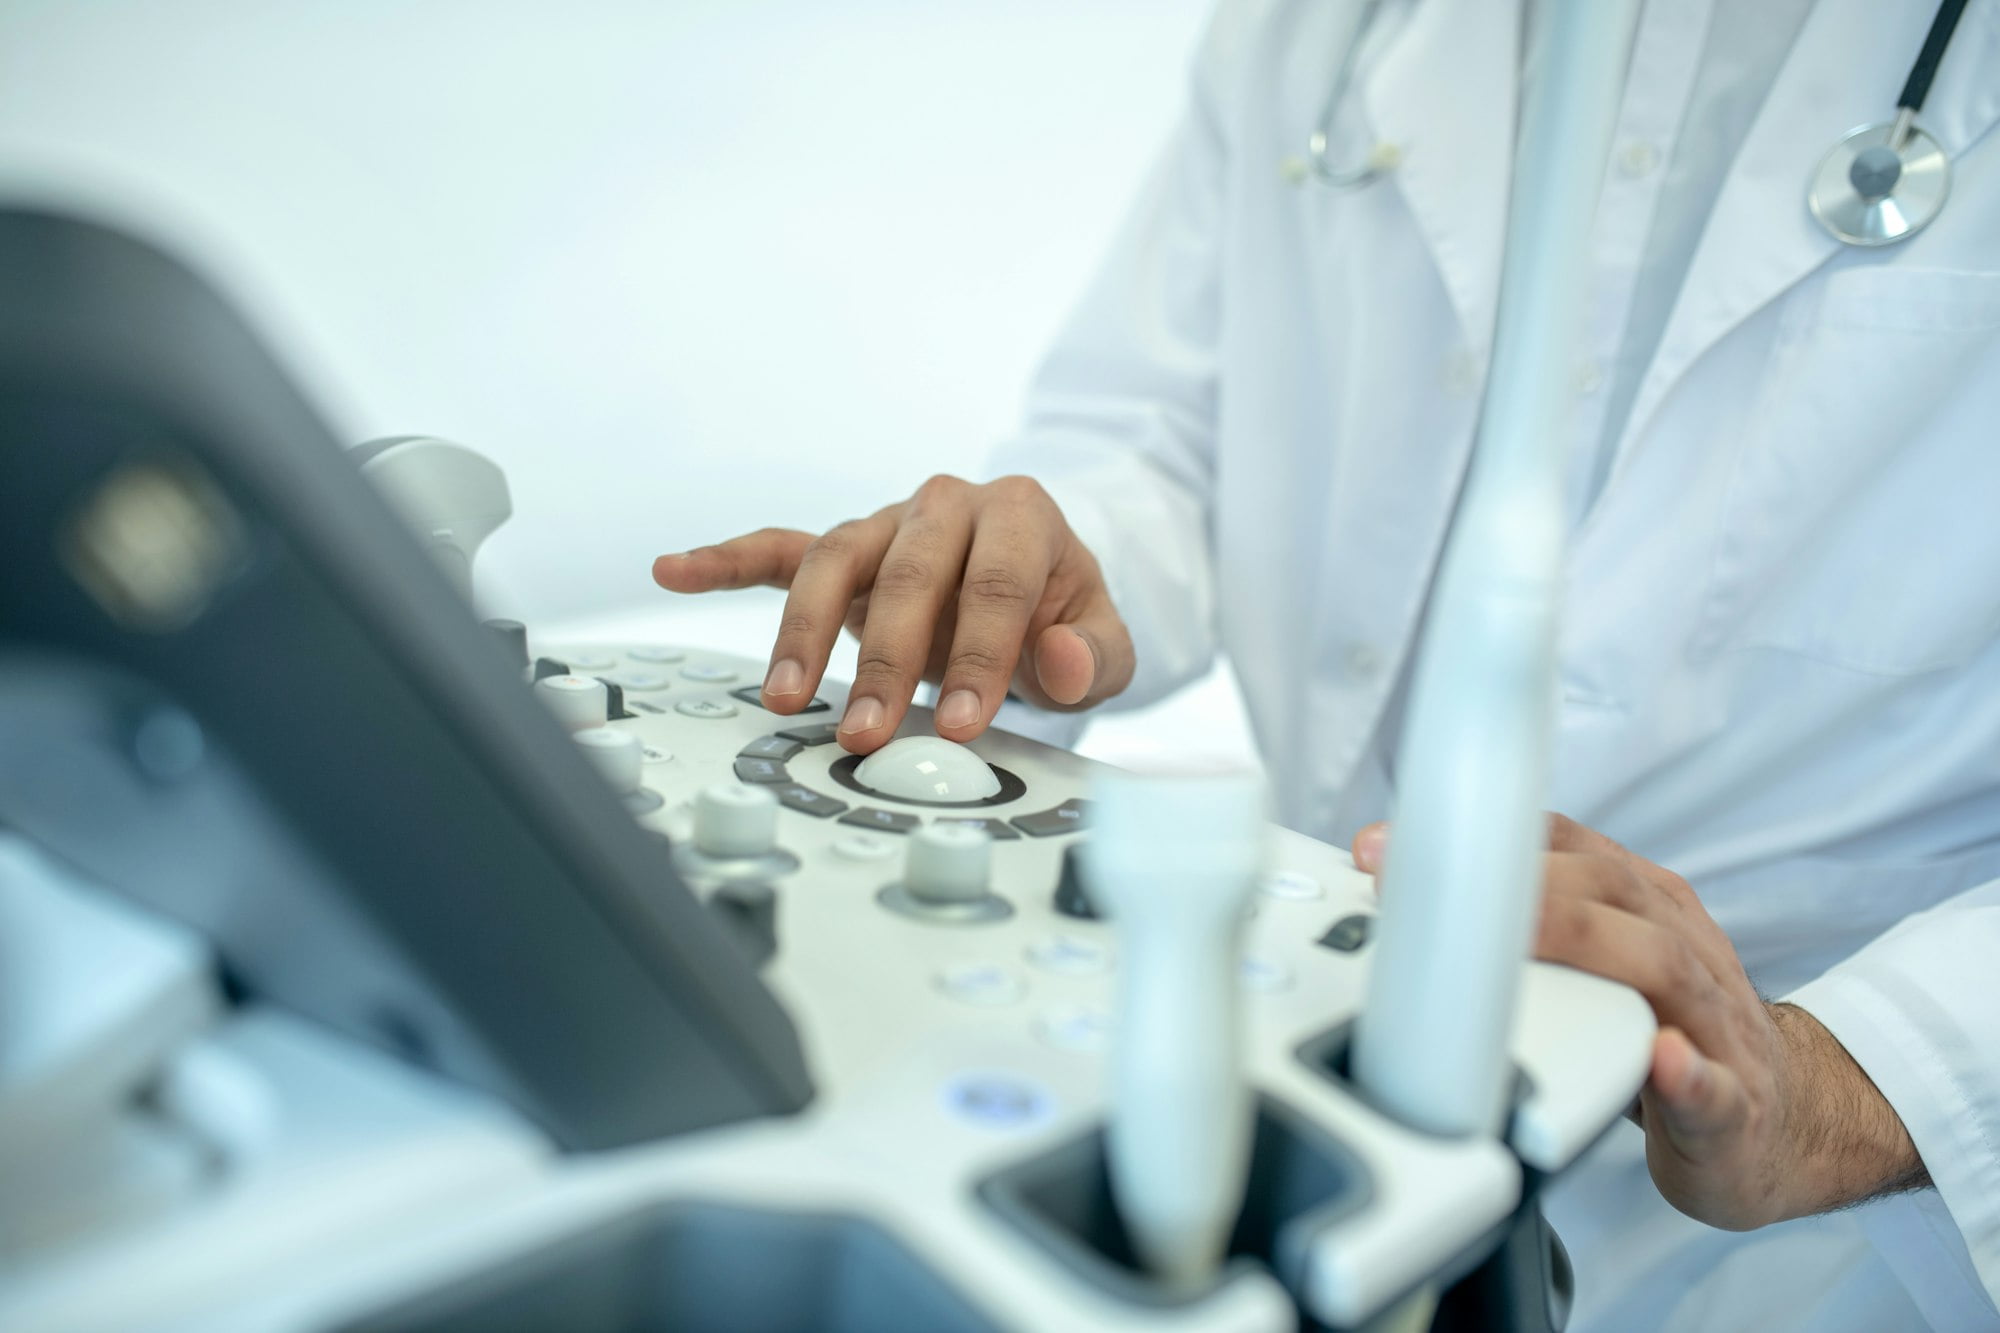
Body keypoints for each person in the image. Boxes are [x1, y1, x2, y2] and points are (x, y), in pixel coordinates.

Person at [653, 1, 2000, 1326]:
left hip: (1831, 1242)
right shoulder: (1319, 25)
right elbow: (1156, 432)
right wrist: (1060, 562)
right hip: (1326, 1082)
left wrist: (1841, 1090)